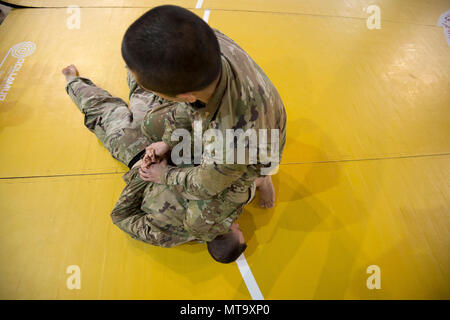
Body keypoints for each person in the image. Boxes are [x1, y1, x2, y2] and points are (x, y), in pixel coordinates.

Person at [62, 5, 286, 263]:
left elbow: (205, 184)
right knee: (145, 111)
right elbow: (190, 110)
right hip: (206, 143)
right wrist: (167, 143)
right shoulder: (204, 45)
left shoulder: (229, 146)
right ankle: (134, 86)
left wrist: (150, 174)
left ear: (185, 96)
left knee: (112, 114)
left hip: (150, 157)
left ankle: (74, 83)